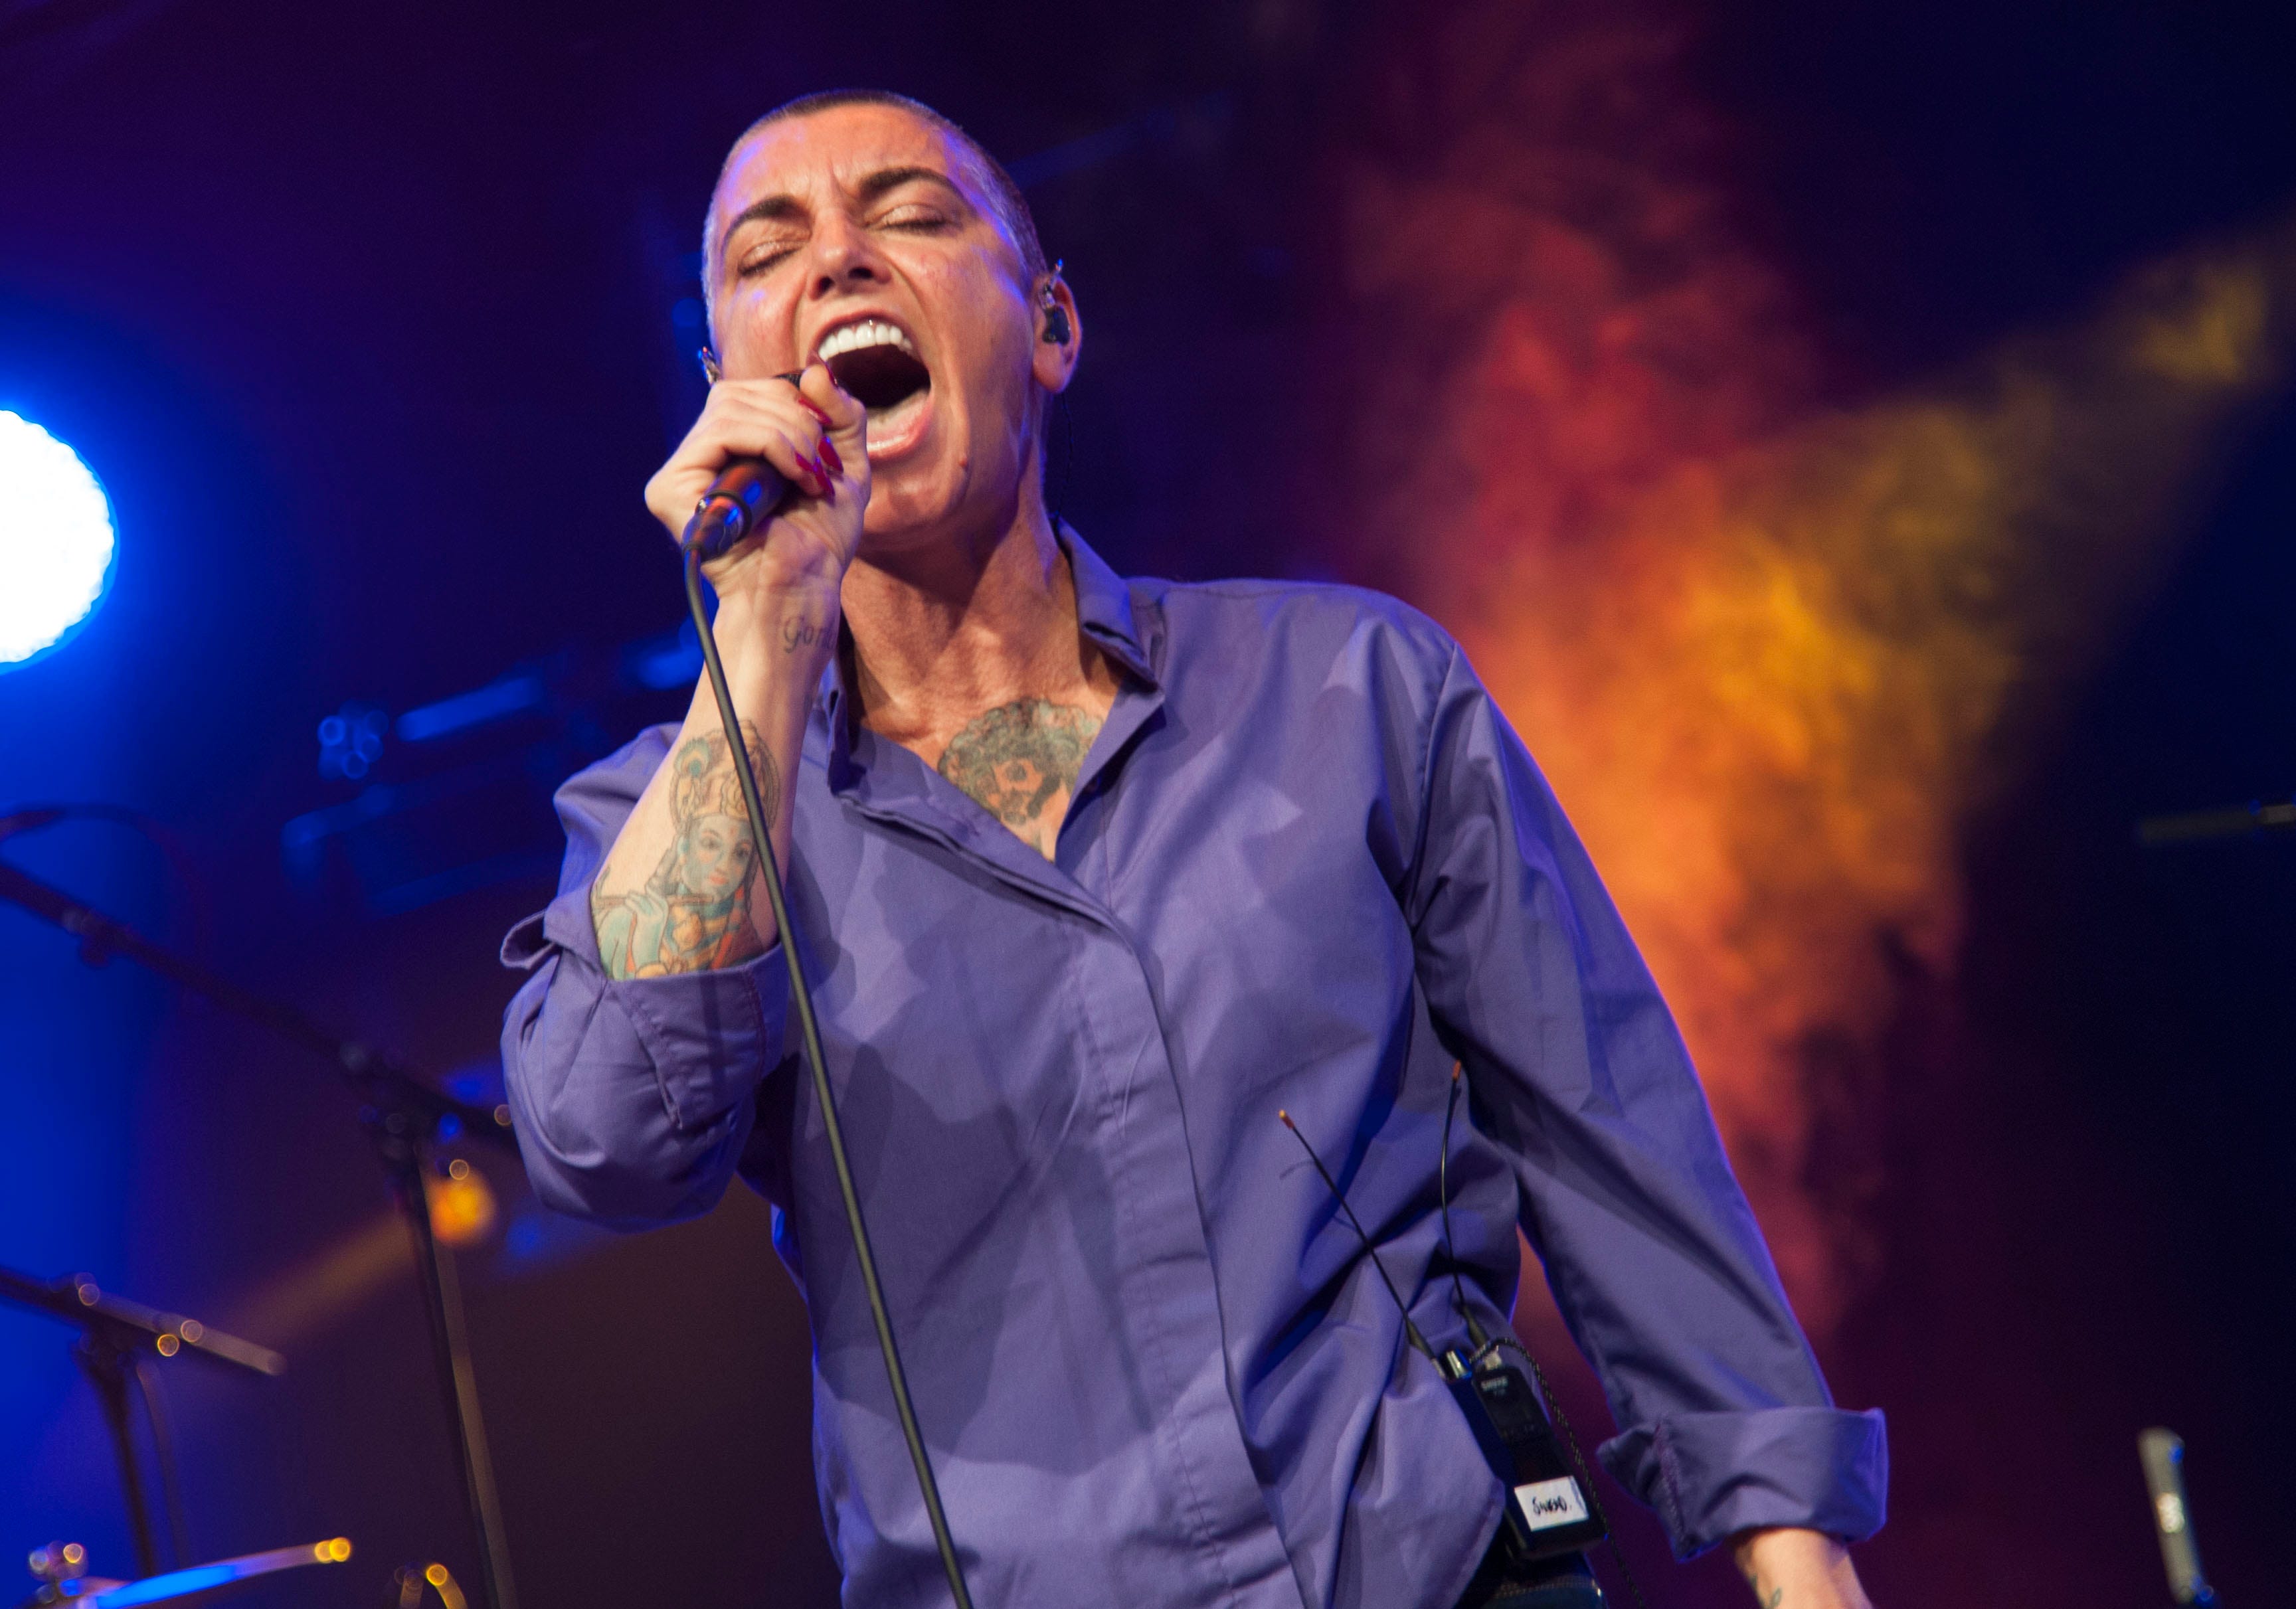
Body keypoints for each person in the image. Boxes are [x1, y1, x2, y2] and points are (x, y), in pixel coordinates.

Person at [499, 88, 1886, 1609]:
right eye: (767, 251)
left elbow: (1606, 1121)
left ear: (1052, 327)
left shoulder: (1349, 688)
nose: (836, 264)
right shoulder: (676, 812)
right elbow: (604, 1148)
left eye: (910, 216)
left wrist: (1791, 1546)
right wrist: (760, 628)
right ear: (719, 377)